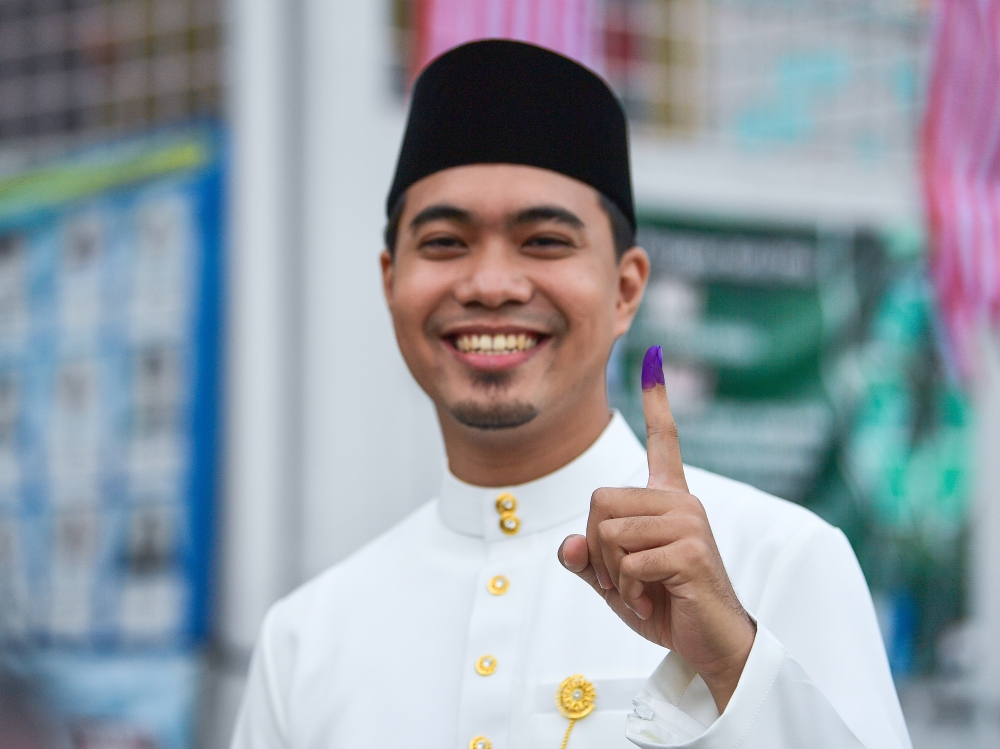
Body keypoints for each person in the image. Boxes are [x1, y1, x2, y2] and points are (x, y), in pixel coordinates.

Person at [230, 40, 911, 749]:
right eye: (443, 242)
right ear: (389, 279)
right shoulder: (304, 640)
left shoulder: (777, 561)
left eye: (544, 241)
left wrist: (732, 665)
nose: (491, 284)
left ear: (625, 289)